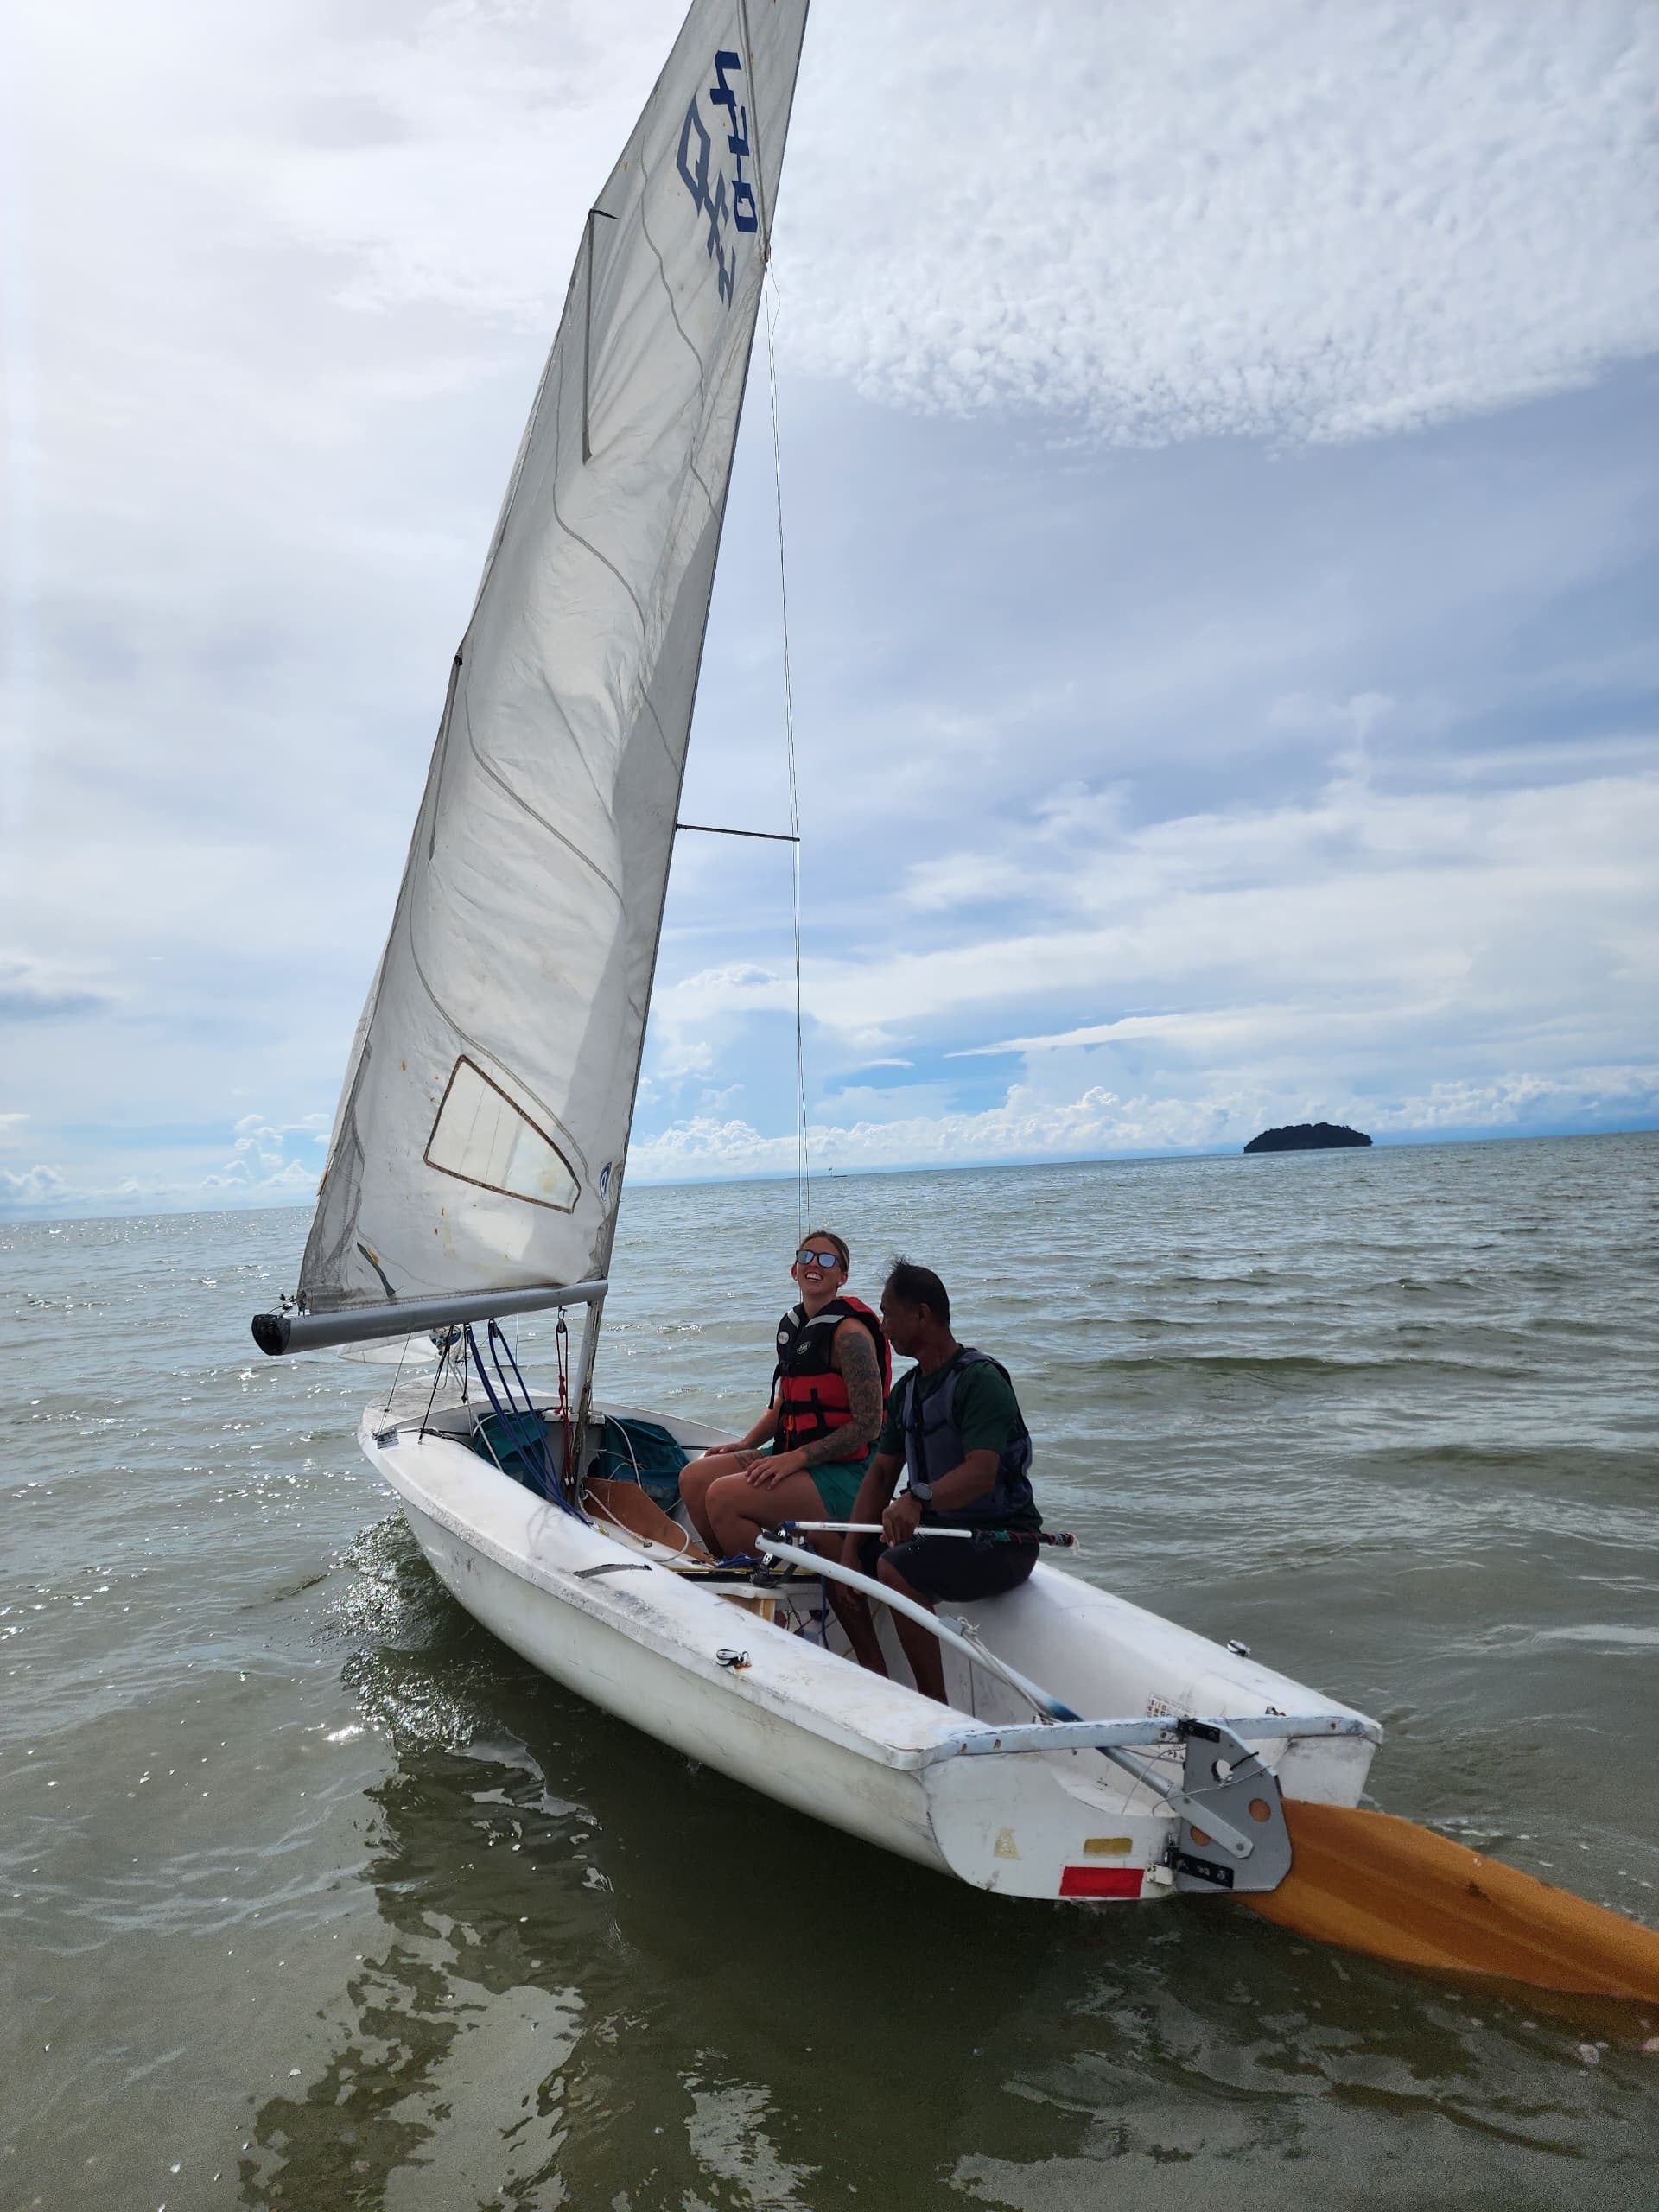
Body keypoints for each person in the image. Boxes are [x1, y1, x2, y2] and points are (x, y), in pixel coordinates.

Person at [832, 1257, 1041, 1702]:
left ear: (922, 1315)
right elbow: (881, 1471)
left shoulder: (980, 1380)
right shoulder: (907, 1390)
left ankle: (934, 1703)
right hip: (941, 1531)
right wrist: (849, 1556)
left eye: (888, 1313)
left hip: (1003, 1541)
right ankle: (874, 1677)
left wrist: (917, 1498)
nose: (883, 1326)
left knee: (894, 1566)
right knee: (837, 1558)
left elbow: (981, 1473)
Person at [678, 1230, 891, 1561]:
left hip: (849, 1471)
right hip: (794, 1454)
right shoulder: (795, 1328)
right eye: (806, 1256)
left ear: (842, 1277)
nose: (814, 1264)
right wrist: (746, 1443)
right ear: (795, 1270)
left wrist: (796, 1459)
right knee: (694, 1479)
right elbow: (785, 1405)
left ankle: (772, 1585)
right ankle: (733, 1567)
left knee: (722, 1496)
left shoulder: (851, 1335)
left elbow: (869, 1426)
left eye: (827, 1259)